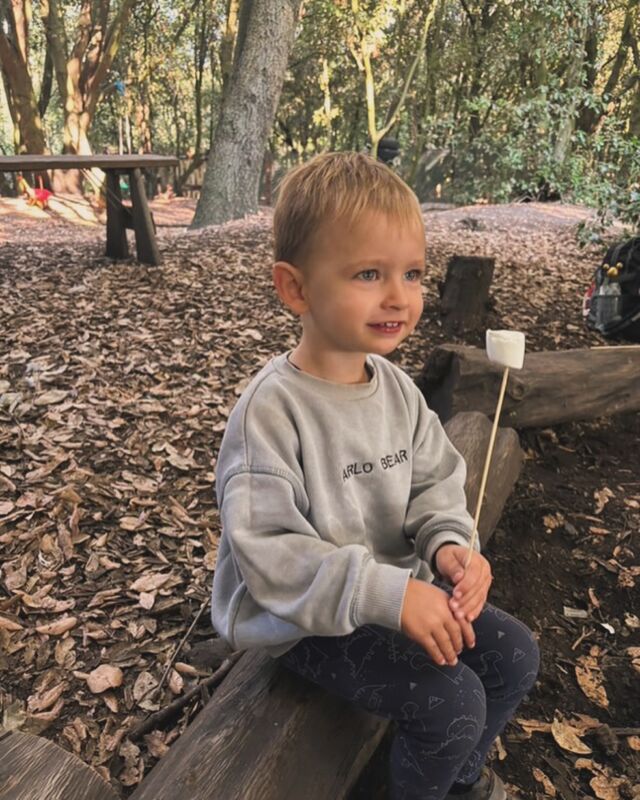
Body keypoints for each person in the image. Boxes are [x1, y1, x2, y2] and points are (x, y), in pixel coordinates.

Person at [210, 152, 539, 800]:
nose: (399, 296)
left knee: (514, 656)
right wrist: (388, 595)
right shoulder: (271, 415)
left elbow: (433, 480)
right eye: (369, 273)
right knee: (452, 703)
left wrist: (449, 544)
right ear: (295, 288)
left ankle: (458, 780)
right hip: (303, 620)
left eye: (412, 273)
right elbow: (270, 558)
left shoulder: (393, 388)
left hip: (391, 589)